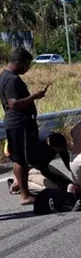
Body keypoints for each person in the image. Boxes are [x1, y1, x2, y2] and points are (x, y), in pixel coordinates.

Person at [0, 47, 51, 204]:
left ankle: (23, 190)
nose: (28, 68)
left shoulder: (4, 76)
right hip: (19, 123)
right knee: (21, 160)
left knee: (20, 158)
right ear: (18, 62)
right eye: (27, 64)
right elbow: (14, 103)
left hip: (16, 123)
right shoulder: (12, 79)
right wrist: (35, 96)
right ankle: (25, 195)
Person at [6, 131, 73, 194]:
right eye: (60, 149)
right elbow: (45, 172)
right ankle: (20, 182)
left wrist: (77, 178)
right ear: (51, 147)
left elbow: (67, 161)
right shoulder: (40, 150)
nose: (63, 150)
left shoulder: (56, 139)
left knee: (68, 183)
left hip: (41, 165)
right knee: (55, 188)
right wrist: (59, 182)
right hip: (28, 167)